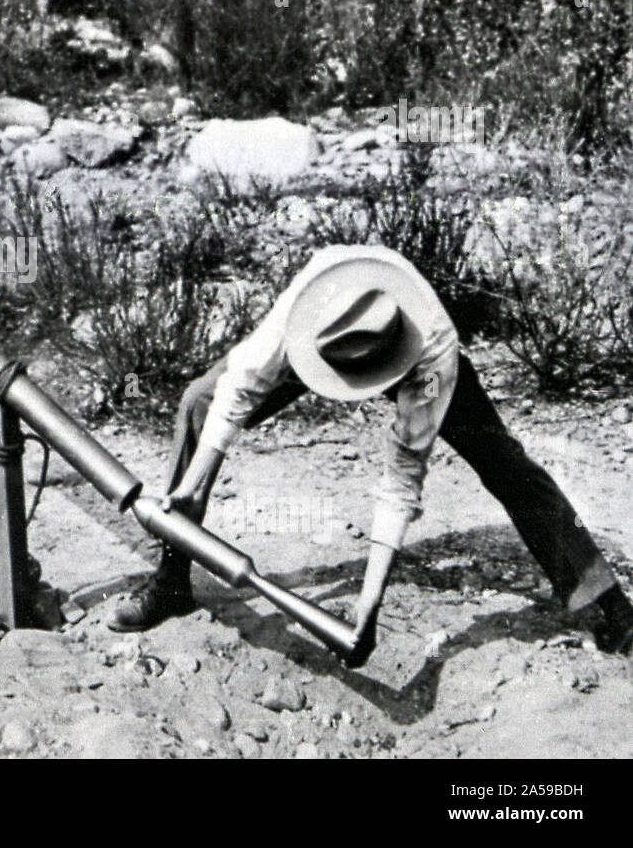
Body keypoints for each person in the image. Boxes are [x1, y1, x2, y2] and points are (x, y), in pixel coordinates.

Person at [110, 245, 633, 665]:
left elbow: (401, 481)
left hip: (412, 357)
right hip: (328, 340)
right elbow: (237, 391)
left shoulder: (431, 354)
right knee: (199, 403)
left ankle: (607, 604)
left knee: (508, 467)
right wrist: (190, 485)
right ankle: (173, 580)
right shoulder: (307, 308)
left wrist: (369, 601)